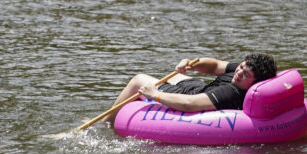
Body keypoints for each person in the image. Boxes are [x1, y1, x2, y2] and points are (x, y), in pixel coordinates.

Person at [111, 54, 279, 114]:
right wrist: (192, 65)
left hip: (191, 96)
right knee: (176, 76)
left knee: (139, 79)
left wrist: (156, 95)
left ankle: (106, 121)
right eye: (241, 67)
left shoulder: (231, 93)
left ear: (255, 82)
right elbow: (215, 65)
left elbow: (189, 104)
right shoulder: (240, 72)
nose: (239, 72)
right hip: (199, 87)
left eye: (246, 74)